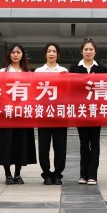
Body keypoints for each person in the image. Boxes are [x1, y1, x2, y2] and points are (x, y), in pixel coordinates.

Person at [0, 43, 37, 185]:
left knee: (20, 143)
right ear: (9, 54)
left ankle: (18, 174)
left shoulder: (28, 73)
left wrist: (22, 105)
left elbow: (31, 92)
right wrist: (10, 105)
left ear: (22, 55)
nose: (16, 55)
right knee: (6, 143)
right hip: (7, 113)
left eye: (18, 52)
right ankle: (8, 174)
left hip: (23, 113)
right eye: (13, 52)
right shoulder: (3, 71)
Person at [69, 38, 107, 186]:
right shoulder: (74, 68)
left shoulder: (102, 69)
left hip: (96, 112)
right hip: (81, 112)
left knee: (95, 143)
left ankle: (92, 175)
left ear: (95, 52)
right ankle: (83, 174)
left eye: (91, 49)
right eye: (86, 49)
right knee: (84, 143)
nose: (88, 52)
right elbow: (70, 88)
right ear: (81, 51)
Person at [35, 42, 68, 185]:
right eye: (49, 51)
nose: (51, 53)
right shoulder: (38, 71)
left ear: (58, 54)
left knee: (60, 147)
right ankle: (46, 174)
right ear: (45, 54)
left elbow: (68, 92)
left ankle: (58, 174)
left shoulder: (64, 71)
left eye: (54, 51)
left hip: (59, 114)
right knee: (44, 147)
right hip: (43, 114)